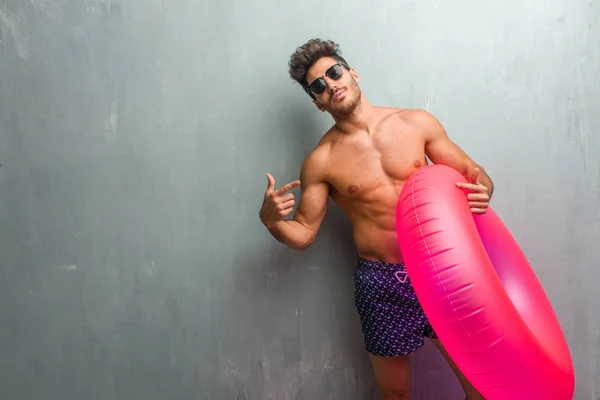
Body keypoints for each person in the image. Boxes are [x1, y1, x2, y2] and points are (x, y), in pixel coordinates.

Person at [259, 38, 493, 400]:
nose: (330, 84)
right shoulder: (321, 161)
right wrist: (272, 221)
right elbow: (303, 232)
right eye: (318, 85)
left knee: (479, 382)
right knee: (395, 394)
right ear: (317, 103)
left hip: (439, 272)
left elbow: (474, 174)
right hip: (381, 283)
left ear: (352, 73)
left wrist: (486, 190)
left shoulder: (416, 123)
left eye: (334, 72)